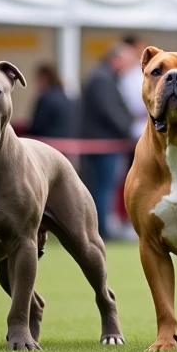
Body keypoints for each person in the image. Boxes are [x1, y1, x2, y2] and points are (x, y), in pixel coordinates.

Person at [79, 45, 137, 240]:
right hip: (103, 143)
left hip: (103, 142)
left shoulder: (102, 77)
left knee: (103, 186)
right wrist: (127, 128)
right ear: (116, 59)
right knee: (104, 186)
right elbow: (109, 111)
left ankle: (100, 227)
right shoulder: (102, 79)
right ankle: (101, 229)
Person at [24, 64, 75, 139]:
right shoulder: (65, 96)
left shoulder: (46, 98)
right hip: (66, 142)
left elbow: (37, 126)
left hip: (47, 142)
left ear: (45, 78)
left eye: (38, 78)